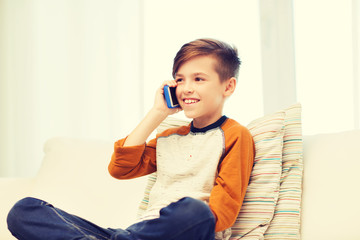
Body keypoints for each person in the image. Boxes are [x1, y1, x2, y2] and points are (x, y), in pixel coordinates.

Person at [7, 38, 255, 240]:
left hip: (188, 231)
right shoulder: (169, 137)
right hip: (135, 233)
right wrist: (157, 112)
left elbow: (223, 211)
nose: (186, 88)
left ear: (228, 86)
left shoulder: (234, 135)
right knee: (24, 211)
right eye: (180, 79)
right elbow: (120, 169)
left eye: (198, 79)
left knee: (195, 211)